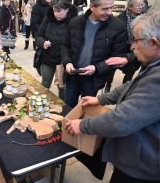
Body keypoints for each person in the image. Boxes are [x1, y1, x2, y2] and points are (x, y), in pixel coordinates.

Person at [65, 10, 160, 182]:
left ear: (153, 43)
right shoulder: (153, 67)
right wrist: (101, 99)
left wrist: (84, 125)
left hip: (141, 169)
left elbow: (121, 120)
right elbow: (132, 85)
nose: (132, 47)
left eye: (136, 41)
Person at [61, 0, 128, 109]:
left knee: (86, 110)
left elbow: (116, 58)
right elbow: (65, 46)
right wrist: (67, 62)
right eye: (105, 8)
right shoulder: (75, 22)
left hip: (93, 79)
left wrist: (96, 68)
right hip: (73, 75)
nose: (109, 12)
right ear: (92, 7)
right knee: (69, 107)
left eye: (111, 7)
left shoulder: (118, 27)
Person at [35, 0, 78, 100]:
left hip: (63, 61)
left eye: (59, 11)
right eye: (54, 11)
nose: (56, 14)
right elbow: (38, 36)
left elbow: (76, 44)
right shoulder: (48, 20)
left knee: (62, 87)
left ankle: (63, 108)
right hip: (47, 58)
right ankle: (41, 105)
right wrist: (42, 42)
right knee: (45, 84)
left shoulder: (74, 23)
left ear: (67, 9)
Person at [104, 0, 145, 93]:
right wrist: (129, 44)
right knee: (112, 68)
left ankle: (123, 91)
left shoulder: (144, 19)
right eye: (137, 5)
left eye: (142, 5)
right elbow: (116, 38)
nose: (140, 7)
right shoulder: (120, 19)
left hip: (134, 53)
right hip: (120, 50)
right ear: (129, 6)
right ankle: (108, 86)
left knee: (131, 70)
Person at [31, 0, 54, 75]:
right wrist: (43, 32)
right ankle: (40, 68)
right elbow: (34, 23)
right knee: (42, 56)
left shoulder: (56, 5)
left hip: (55, 36)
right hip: (43, 37)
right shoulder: (37, 7)